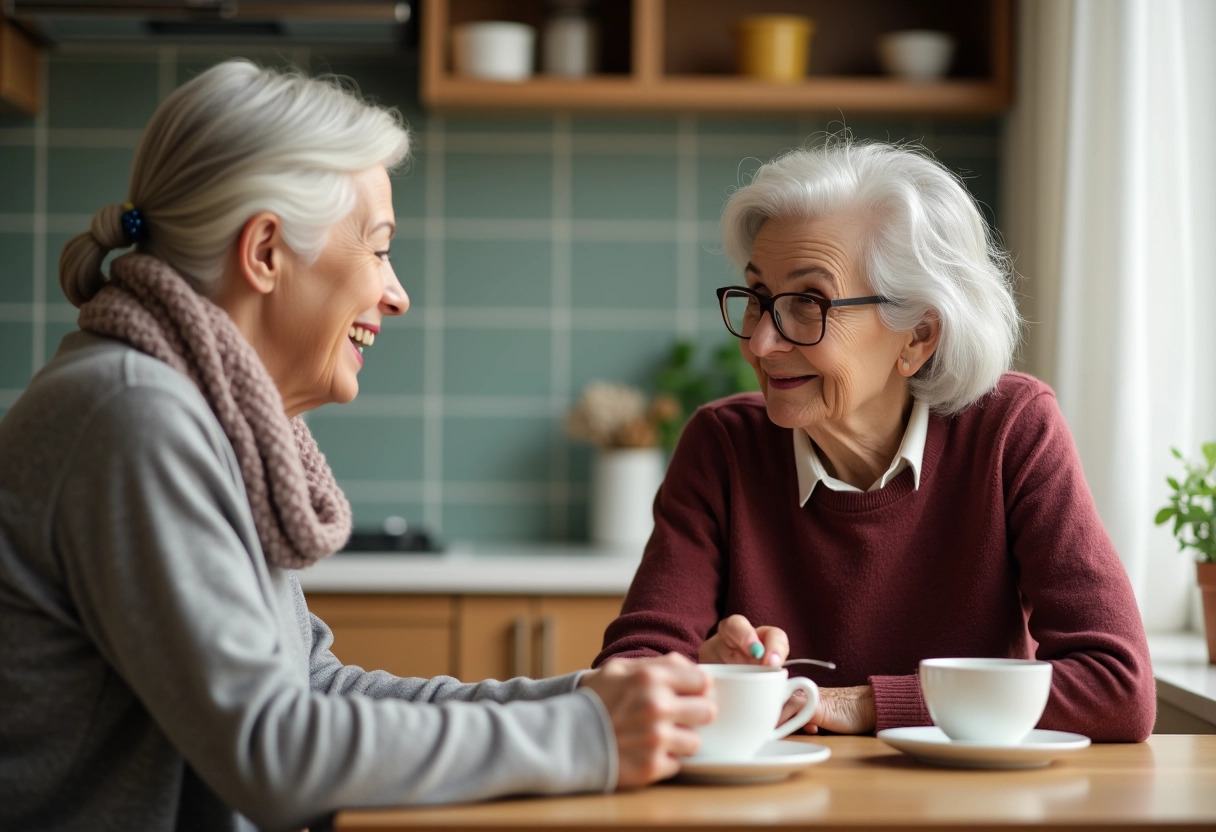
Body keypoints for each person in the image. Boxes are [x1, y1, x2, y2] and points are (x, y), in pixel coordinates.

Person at [0, 60, 715, 832]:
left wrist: (590, 701)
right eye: (378, 249)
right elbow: (272, 749)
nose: (396, 292)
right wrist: (584, 737)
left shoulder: (205, 415)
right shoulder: (133, 417)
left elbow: (310, 688)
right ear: (266, 251)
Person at [594, 139, 1156, 743]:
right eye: (757, 299)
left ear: (916, 335)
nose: (760, 343)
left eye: (808, 303)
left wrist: (864, 704)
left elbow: (1117, 688)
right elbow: (624, 682)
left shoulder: (1010, 431)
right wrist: (711, 674)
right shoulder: (723, 446)